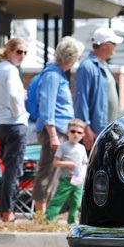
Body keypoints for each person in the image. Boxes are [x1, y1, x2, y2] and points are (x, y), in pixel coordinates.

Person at [32, 36, 84, 217]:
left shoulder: (57, 74)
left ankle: (47, 215)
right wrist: (52, 134)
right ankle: (40, 215)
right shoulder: (52, 76)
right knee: (47, 171)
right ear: (70, 57)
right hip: (54, 132)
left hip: (61, 130)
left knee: (55, 173)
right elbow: (47, 107)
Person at [0, 37, 29, 223]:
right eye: (19, 51)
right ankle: (7, 212)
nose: (22, 56)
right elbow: (13, 94)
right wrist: (19, 110)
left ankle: (0, 209)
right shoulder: (11, 70)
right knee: (12, 171)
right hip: (14, 123)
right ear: (9, 51)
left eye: (25, 52)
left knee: (6, 170)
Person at [74, 26, 123, 147]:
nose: (116, 46)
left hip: (108, 131)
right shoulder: (87, 67)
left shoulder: (105, 66)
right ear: (105, 45)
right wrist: (86, 129)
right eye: (114, 43)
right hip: (96, 132)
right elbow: (81, 99)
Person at [45, 118, 88, 224]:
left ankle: (72, 222)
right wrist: (68, 164)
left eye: (79, 132)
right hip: (66, 179)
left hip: (78, 180)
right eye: (73, 131)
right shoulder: (63, 146)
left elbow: (84, 163)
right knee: (58, 200)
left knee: (76, 202)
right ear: (67, 132)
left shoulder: (82, 148)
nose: (75, 134)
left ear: (83, 135)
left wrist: (83, 174)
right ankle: (48, 219)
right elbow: (56, 163)